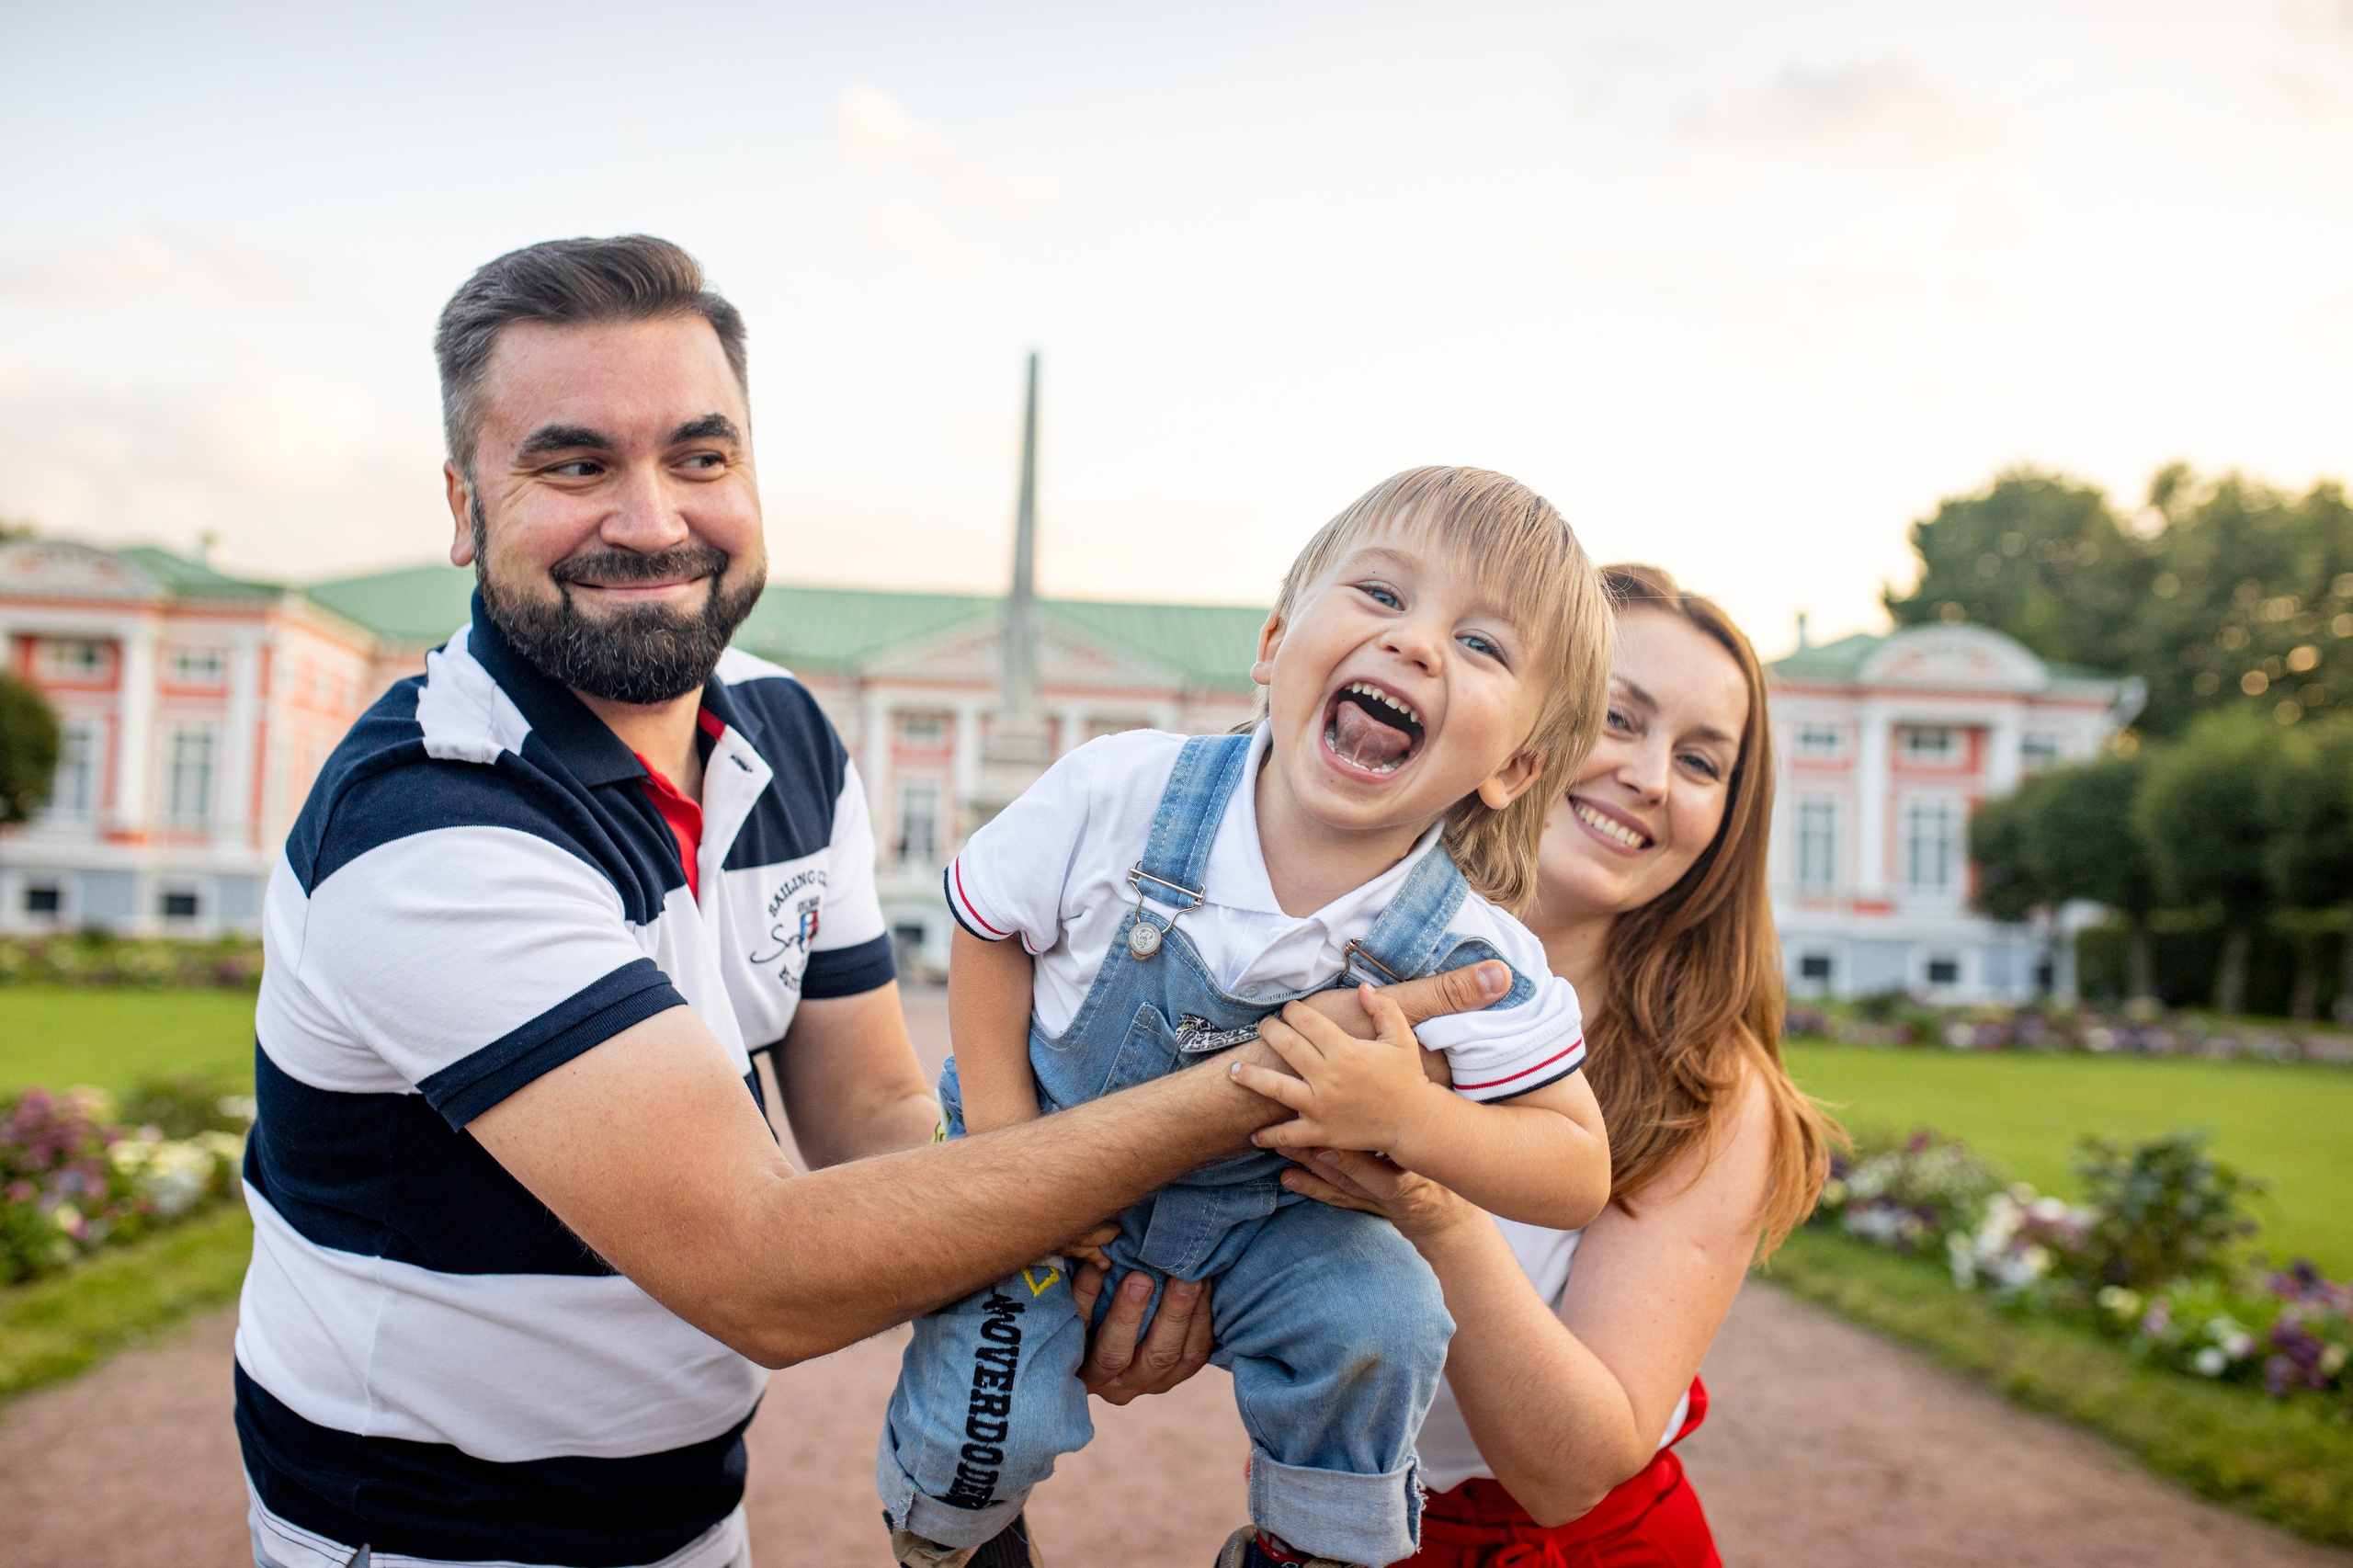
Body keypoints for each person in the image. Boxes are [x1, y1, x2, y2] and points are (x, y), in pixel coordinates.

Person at [232, 234, 1503, 1568]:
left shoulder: (782, 728)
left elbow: (878, 1127)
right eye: (574, 463)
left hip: (685, 1514)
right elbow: (764, 1269)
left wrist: (1125, 1264)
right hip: (420, 1538)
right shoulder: (429, 821)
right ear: (461, 501)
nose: (654, 518)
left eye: (700, 457)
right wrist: (1270, 1085)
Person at [880, 468, 1619, 1568]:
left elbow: (1574, 1167)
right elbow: (990, 930)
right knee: (988, 1409)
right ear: (1275, 643)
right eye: (1380, 594)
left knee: (1385, 1319)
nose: (1415, 643)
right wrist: (1005, 1157)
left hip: (1272, 1227)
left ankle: (1309, 1549)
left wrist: (1409, 1117)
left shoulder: (1473, 948)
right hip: (1041, 1158)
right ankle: (958, 1535)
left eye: (1480, 644)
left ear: (1515, 765)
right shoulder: (1123, 790)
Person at [1245, 564, 1841, 1567]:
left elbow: (1569, 1471)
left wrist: (1429, 1191)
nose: (1652, 776)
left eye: (1701, 762)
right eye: (1617, 717)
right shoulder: (1323, 955)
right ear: (1516, 734)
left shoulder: (1711, 1089)